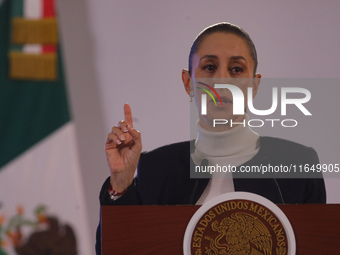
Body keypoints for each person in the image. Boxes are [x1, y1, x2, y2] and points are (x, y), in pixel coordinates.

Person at [95, 22, 326, 254]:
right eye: (209, 67)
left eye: (236, 69)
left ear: (254, 85)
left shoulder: (297, 164)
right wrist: (121, 183)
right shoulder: (158, 168)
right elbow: (117, 249)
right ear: (188, 83)